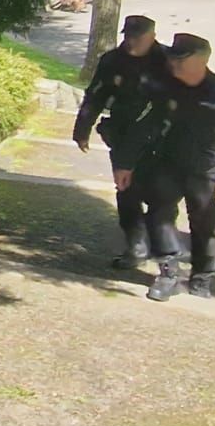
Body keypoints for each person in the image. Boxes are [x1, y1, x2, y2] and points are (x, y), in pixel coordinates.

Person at [118, 33, 215, 302]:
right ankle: (168, 272)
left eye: (181, 61)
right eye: (173, 59)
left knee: (205, 228)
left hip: (209, 170)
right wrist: (125, 163)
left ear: (200, 61)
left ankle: (202, 277)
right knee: (159, 216)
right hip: (168, 163)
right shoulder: (164, 86)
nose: (174, 65)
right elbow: (144, 124)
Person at [72, 14, 169, 269]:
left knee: (161, 194)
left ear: (152, 36)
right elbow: (96, 94)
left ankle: (161, 247)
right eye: (127, 36)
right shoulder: (113, 60)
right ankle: (136, 245)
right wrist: (82, 128)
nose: (131, 42)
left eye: (138, 37)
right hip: (123, 133)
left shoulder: (167, 61)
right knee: (127, 190)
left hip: (161, 137)